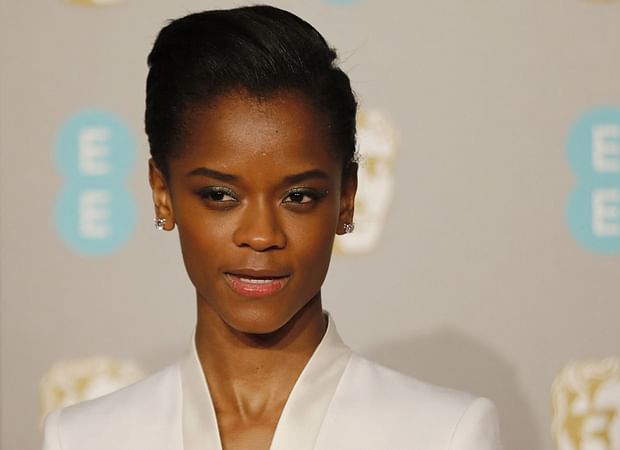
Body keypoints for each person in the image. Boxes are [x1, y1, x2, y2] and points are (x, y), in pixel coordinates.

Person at [41, 5, 503, 450]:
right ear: (163, 192)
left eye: (298, 196)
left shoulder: (443, 435)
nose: (262, 236)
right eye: (220, 195)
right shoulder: (82, 438)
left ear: (346, 198)